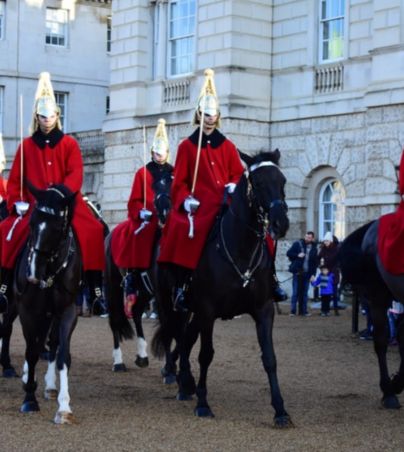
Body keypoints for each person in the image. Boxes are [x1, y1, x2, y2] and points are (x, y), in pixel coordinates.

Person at [0, 72, 105, 314]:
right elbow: (15, 180)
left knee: (93, 230)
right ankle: (4, 286)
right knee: (7, 231)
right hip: (34, 205)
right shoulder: (26, 146)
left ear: (57, 116)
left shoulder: (69, 144)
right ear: (37, 117)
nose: (47, 120)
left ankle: (95, 290)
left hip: (66, 203)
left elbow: (75, 174)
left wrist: (61, 192)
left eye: (51, 116)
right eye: (42, 117)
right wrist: (17, 202)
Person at [158, 69, 245, 312]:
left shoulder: (227, 145)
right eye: (206, 114)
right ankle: (182, 286)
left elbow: (237, 172)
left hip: (226, 201)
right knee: (183, 230)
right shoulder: (187, 146)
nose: (209, 118)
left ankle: (266, 279)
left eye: (213, 114)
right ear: (199, 114)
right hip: (201, 204)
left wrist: (234, 184)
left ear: (218, 116)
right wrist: (186, 200)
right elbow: (180, 182)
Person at [110, 118, 173, 317]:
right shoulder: (143, 173)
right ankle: (133, 277)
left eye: (162, 153)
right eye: (156, 153)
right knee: (139, 236)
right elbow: (134, 201)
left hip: (170, 218)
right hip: (149, 218)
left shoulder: (175, 173)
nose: (159, 157)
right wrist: (141, 212)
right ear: (152, 152)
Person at [287, 231, 318, 316]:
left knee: (305, 293)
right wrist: (297, 255)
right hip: (298, 272)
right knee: (295, 292)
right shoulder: (298, 244)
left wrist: (313, 275)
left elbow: (314, 263)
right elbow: (288, 253)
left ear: (312, 239)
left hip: (307, 274)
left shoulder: (314, 248)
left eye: (309, 237)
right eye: (306, 237)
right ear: (305, 236)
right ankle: (293, 311)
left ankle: (304, 311)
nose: (307, 239)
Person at [318, 231, 341, 315]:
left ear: (330, 241)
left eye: (327, 241)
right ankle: (325, 310)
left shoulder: (336, 249)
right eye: (325, 241)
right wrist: (321, 266)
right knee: (325, 294)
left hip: (333, 273)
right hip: (325, 273)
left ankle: (335, 309)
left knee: (334, 292)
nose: (325, 242)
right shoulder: (323, 249)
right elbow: (319, 258)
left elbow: (337, 260)